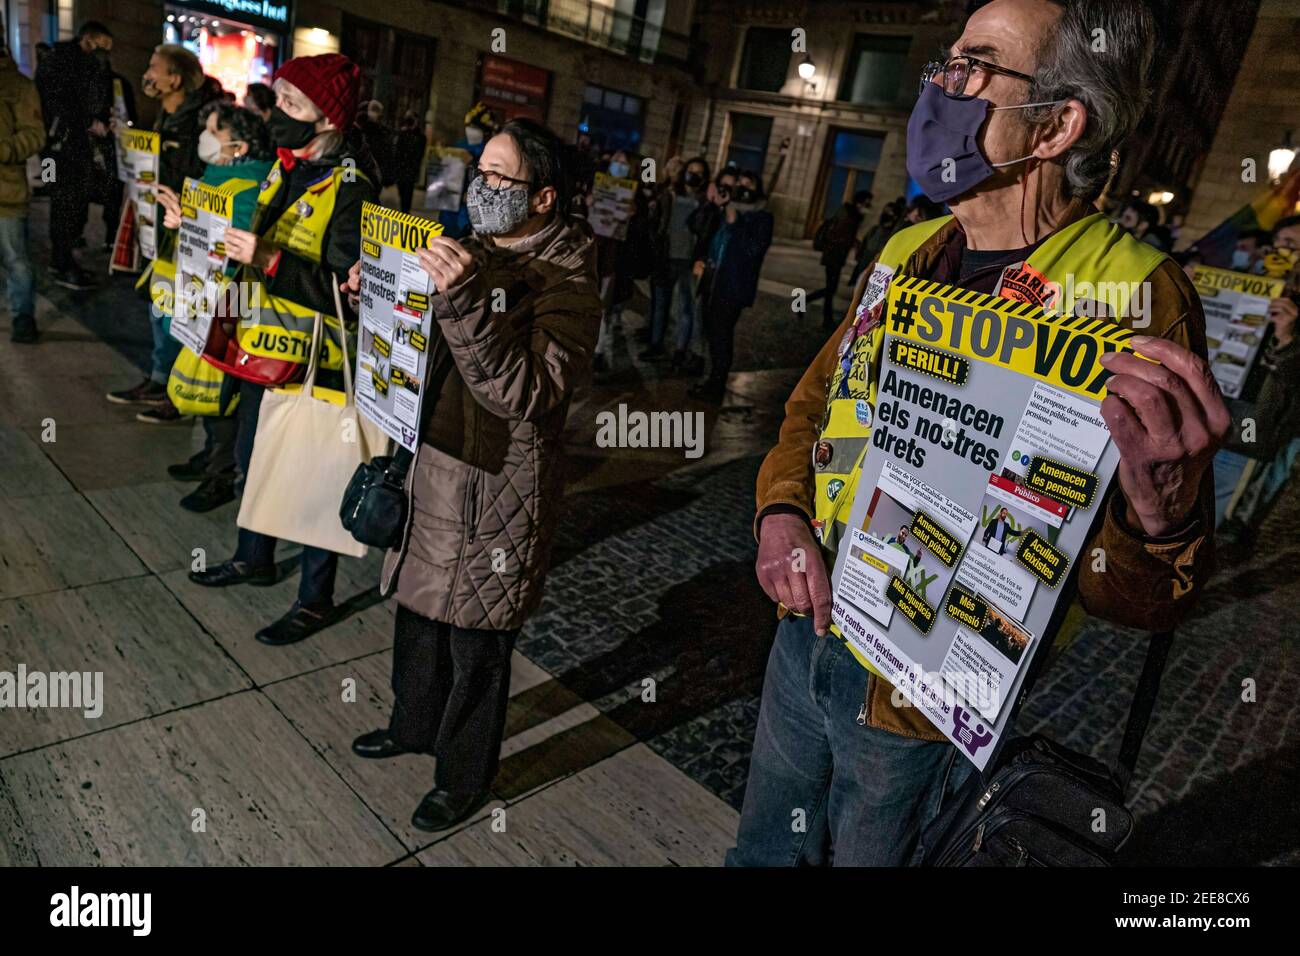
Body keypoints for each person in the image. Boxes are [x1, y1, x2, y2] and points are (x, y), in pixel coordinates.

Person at [737, 0, 1228, 867]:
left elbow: (1143, 599)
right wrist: (782, 510)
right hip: (806, 629)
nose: (940, 85)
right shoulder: (909, 248)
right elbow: (814, 404)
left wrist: (1164, 518)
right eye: (945, 62)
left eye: (973, 66)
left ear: (1055, 125)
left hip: (924, 701)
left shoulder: (1138, 300)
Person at [344, 118, 601, 832]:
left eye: (499, 177)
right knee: (420, 614)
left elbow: (530, 395)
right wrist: (380, 293)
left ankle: (463, 777)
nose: (480, 186)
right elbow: (420, 347)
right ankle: (411, 725)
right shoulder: (466, 248)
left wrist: (459, 303)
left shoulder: (571, 279)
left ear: (544, 198)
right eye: (478, 169)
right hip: (436, 462)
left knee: (477, 641)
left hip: (499, 489)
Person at [187, 53, 378, 646]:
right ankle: (254, 555)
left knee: (318, 479)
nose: (276, 114)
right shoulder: (285, 166)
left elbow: (352, 292)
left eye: (293, 105)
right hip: (264, 343)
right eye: (278, 99)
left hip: (316, 356)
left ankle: (314, 600)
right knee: (255, 455)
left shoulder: (353, 189)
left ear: (328, 120)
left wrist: (270, 259)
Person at [155, 103, 276, 512]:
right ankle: (211, 455)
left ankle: (222, 473)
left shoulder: (248, 185)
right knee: (209, 386)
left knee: (222, 390)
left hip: (230, 302)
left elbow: (230, 246)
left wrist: (187, 222)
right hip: (206, 297)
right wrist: (181, 219)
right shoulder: (219, 177)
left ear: (238, 147)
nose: (204, 137)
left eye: (213, 131)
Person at [104, 44, 214, 423]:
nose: (147, 74)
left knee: (179, 314)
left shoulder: (196, 123)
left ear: (175, 79)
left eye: (155, 68)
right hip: (159, 230)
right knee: (158, 309)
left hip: (182, 231)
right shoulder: (165, 118)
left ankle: (179, 392)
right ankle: (159, 378)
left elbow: (195, 178)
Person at [1214, 216, 1300, 534]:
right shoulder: (1245, 287)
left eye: (1292, 246)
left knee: (1214, 512)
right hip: (1207, 411)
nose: (1282, 251)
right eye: (1280, 244)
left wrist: (1288, 341)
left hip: (1249, 429)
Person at [35, 20, 114, 290]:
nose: (106, 51)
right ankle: (62, 261)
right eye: (103, 44)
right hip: (62, 147)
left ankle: (65, 258)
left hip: (71, 147)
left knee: (70, 201)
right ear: (90, 39)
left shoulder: (83, 63)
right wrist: (89, 122)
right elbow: (58, 103)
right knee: (64, 201)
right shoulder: (64, 62)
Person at [688, 168, 773, 402]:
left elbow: (753, 251)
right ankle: (711, 378)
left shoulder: (762, 218)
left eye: (749, 184)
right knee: (711, 332)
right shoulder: (725, 210)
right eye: (739, 184)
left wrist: (736, 223)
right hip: (711, 283)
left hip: (733, 288)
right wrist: (712, 204)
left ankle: (716, 385)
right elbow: (697, 227)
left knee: (721, 335)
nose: (743, 189)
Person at [642, 155, 710, 364]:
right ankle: (655, 344)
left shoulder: (706, 201)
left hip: (689, 261)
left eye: (699, 173)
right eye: (691, 171)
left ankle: (680, 350)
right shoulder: (671, 194)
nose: (694, 176)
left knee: (686, 308)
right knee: (661, 304)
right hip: (667, 256)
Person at [1, 31, 45, 343]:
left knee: (15, 259)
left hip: (6, 191)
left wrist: (3, 149)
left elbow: (35, 135)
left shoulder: (19, 85)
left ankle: (23, 317)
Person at [809, 190, 871, 331]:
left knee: (830, 289)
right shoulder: (849, 217)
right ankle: (808, 303)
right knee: (830, 289)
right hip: (833, 257)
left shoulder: (850, 215)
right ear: (859, 203)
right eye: (867, 203)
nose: (868, 207)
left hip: (834, 256)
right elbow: (839, 237)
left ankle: (826, 319)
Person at [849, 198, 905, 290]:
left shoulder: (893, 233)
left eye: (891, 212)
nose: (887, 214)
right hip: (867, 259)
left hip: (878, 262)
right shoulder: (875, 229)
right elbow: (865, 243)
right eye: (886, 211)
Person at [393, 110, 426, 213]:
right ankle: (404, 214)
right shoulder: (402, 134)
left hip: (410, 172)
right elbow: (397, 151)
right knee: (402, 196)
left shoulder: (420, 137)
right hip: (400, 171)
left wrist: (412, 130)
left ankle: (405, 217)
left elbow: (419, 152)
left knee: (407, 199)